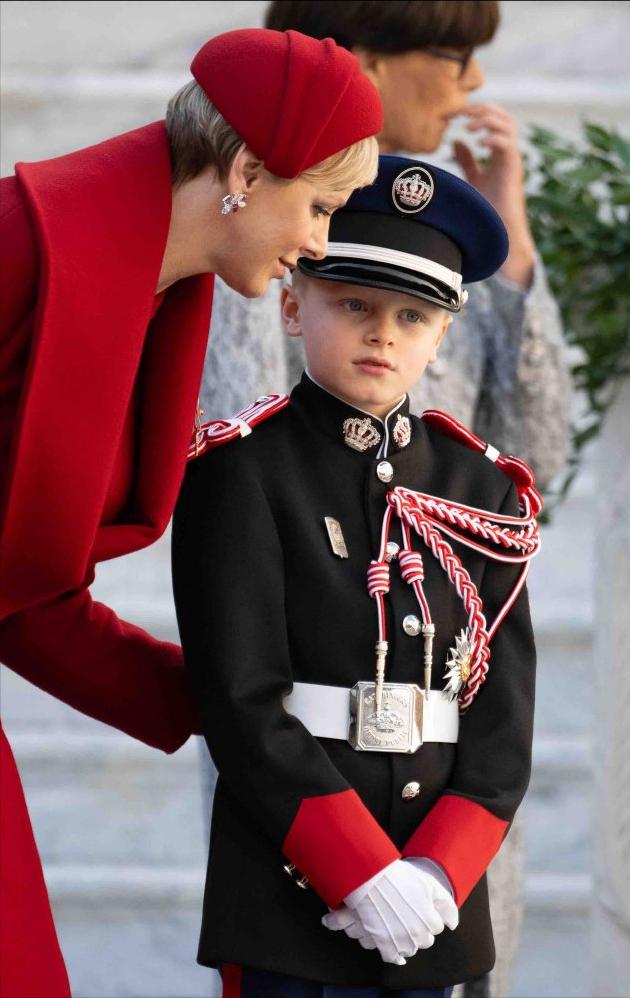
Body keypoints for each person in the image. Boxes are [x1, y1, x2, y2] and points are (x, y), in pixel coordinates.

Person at [0, 27, 382, 997]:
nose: (320, 243)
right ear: (248, 169)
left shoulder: (162, 293)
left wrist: (244, 702)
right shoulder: (17, 241)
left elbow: (23, 590)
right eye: (321, 205)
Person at [197, 7, 571, 994]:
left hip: (438, 854)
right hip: (293, 845)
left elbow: (501, 712)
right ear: (295, 299)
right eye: (354, 303)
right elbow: (241, 691)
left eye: (412, 315)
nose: (383, 333)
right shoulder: (248, 455)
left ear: (440, 329)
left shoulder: (479, 486)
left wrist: (436, 867)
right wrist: (357, 867)